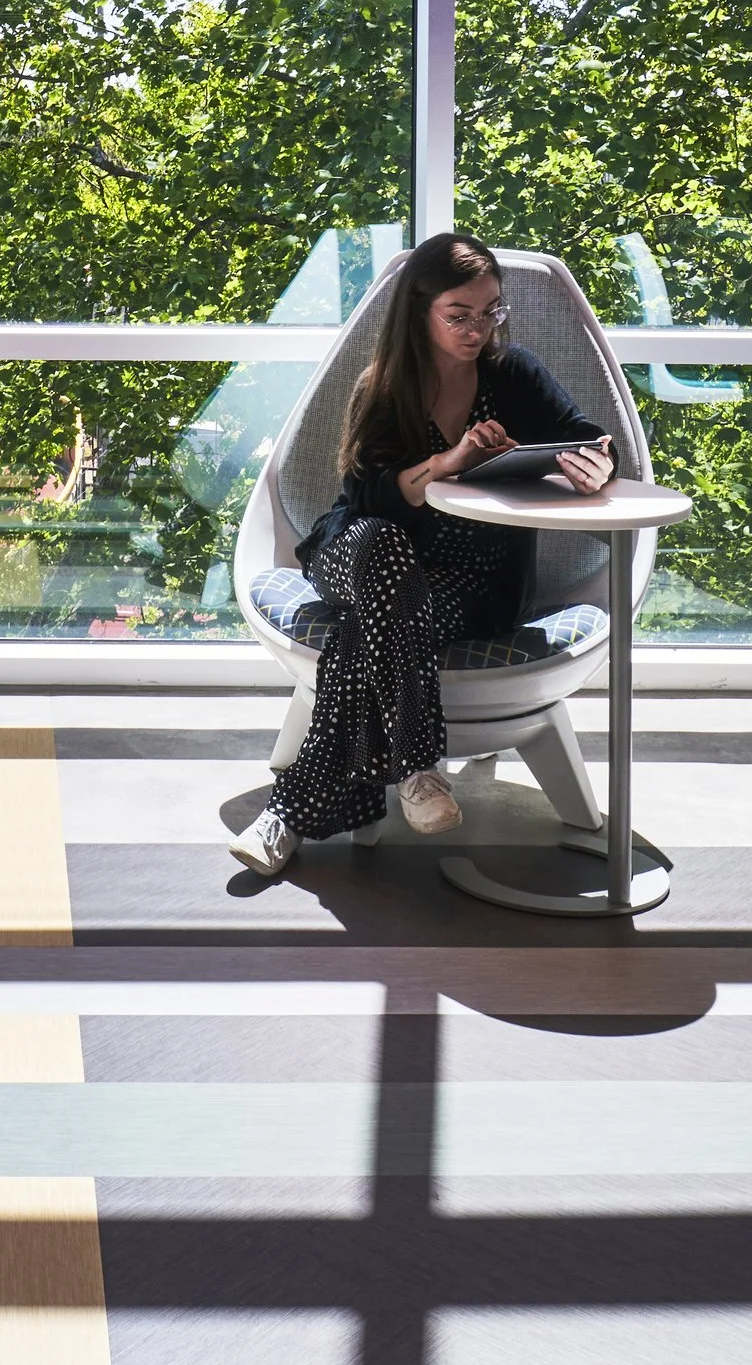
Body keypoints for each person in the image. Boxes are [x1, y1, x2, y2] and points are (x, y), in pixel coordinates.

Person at [229, 232, 612, 881]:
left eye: (490, 311)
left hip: (468, 582)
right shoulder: (386, 387)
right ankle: (418, 764)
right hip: (358, 554)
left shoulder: (513, 375)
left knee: (363, 636)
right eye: (458, 315)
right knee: (384, 547)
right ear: (420, 312)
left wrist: (597, 464)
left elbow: (590, 439)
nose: (477, 328)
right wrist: (451, 460)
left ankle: (284, 817)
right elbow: (373, 497)